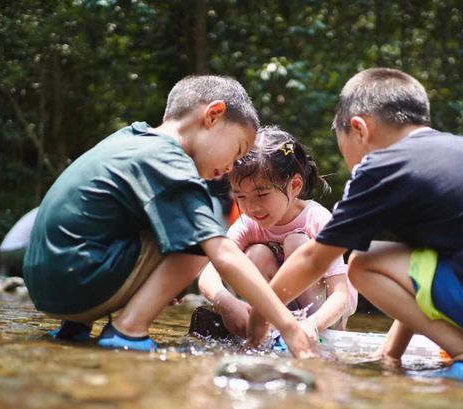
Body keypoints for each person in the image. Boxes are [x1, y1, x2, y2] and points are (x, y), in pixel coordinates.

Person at [246, 68, 463, 388]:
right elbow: (419, 279)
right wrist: (391, 355)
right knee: (458, 256)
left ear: (359, 129)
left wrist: (261, 315)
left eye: (343, 149)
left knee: (363, 263)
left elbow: (314, 258)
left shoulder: (381, 166)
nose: (348, 162)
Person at [22, 75, 315, 357]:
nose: (229, 168)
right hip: (78, 280)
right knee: (202, 236)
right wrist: (289, 329)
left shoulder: (131, 138)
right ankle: (129, 330)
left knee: (177, 225)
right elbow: (222, 254)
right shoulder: (168, 161)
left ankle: (75, 329)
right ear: (213, 115)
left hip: (45, 282)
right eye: (236, 150)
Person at [198, 126, 357, 339]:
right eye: (241, 197)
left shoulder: (316, 219)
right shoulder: (248, 223)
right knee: (255, 254)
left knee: (297, 243)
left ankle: (304, 325)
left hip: (321, 316)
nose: (252, 208)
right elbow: (209, 273)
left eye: (262, 194)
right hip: (275, 314)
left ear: (295, 186)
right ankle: (271, 325)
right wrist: (227, 303)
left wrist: (313, 326)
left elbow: (340, 296)